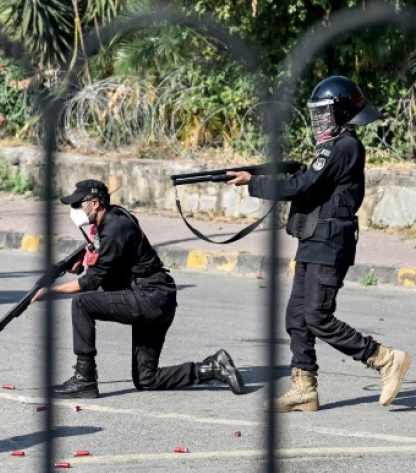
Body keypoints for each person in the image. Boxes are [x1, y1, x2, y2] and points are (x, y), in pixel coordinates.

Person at [226, 75, 410, 411]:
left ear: (341, 113)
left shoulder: (344, 147)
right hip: (314, 238)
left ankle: (384, 359)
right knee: (296, 316)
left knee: (317, 316)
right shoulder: (331, 146)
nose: (319, 120)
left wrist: (255, 183)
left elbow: (302, 185)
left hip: (331, 243)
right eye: (317, 114)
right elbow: (307, 183)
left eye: (325, 113)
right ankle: (305, 388)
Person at [30, 180, 246, 399]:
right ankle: (212, 368)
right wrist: (79, 267)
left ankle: (84, 379)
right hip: (157, 298)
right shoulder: (113, 219)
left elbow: (91, 282)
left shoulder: (114, 228)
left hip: (149, 298)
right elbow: (106, 266)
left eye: (78, 204)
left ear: (94, 203)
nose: (74, 210)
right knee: (146, 379)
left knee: (82, 304)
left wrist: (51, 291)